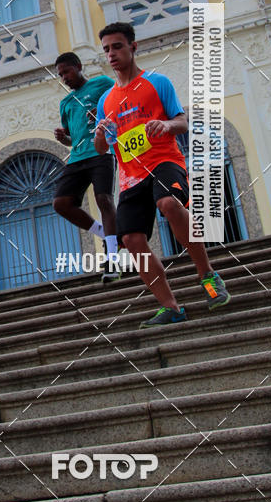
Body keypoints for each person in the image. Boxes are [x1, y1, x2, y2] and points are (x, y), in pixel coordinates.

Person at [93, 21, 231, 327]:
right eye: (106, 49)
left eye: (117, 46)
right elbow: (102, 148)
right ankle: (171, 307)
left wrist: (167, 125)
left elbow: (181, 120)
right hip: (131, 176)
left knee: (169, 205)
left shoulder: (157, 83)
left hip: (164, 161)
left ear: (133, 46)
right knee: (130, 239)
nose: (112, 54)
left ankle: (208, 276)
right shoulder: (107, 101)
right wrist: (101, 133)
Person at [53, 52, 119, 282]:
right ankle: (107, 234)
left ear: (79, 67)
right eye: (60, 75)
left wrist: (105, 113)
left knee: (104, 199)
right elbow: (73, 135)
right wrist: (64, 139)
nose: (64, 78)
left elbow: (121, 102)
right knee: (61, 204)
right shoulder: (66, 103)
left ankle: (112, 257)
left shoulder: (102, 83)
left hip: (101, 151)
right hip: (77, 157)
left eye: (67, 72)